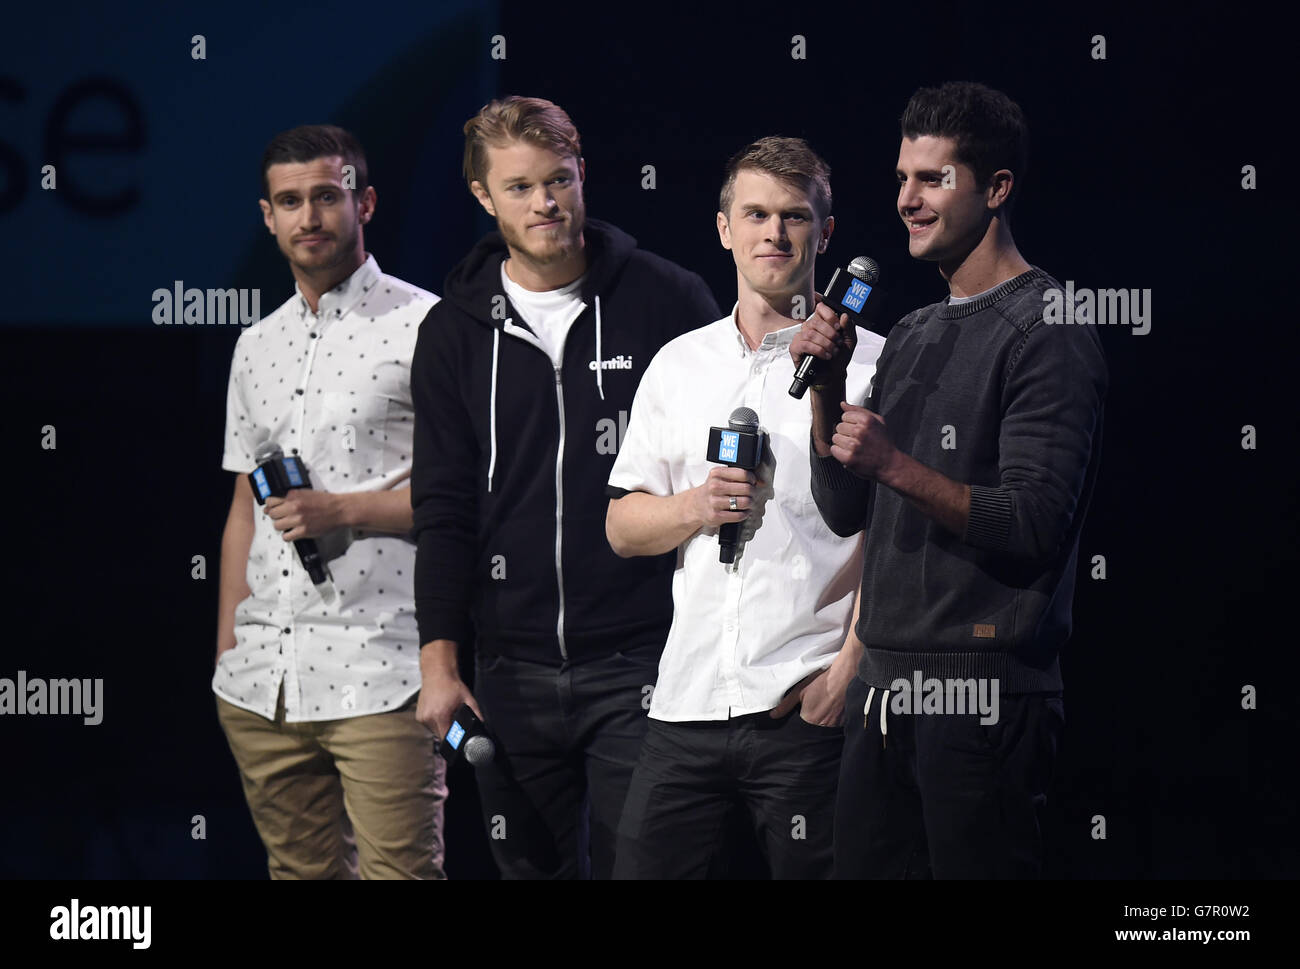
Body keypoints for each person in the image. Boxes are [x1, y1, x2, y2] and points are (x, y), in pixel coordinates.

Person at [794, 82, 1108, 878]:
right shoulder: (911, 333)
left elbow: (1034, 521)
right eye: (902, 178)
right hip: (883, 691)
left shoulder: (1050, 325)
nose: (907, 199)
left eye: (933, 179)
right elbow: (841, 508)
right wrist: (828, 383)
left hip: (981, 696)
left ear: (996, 188)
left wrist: (896, 463)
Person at [410, 96, 720, 879]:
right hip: (509, 672)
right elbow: (442, 509)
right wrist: (439, 666)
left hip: (644, 660)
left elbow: (720, 483)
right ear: (483, 197)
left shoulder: (668, 301)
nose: (545, 202)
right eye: (518, 188)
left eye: (558, 180)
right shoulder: (451, 332)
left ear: (583, 173)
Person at [605, 136, 884, 879]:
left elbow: (899, 539)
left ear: (826, 233)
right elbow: (622, 527)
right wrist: (698, 504)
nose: (774, 233)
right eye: (755, 213)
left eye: (795, 216)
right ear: (725, 228)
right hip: (687, 700)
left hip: (806, 700)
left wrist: (848, 671)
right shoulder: (679, 362)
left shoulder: (875, 364)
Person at [214, 124, 446, 879]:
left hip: (382, 669)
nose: (308, 216)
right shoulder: (255, 344)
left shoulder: (428, 326)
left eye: (325, 195)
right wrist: (228, 651)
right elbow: (245, 508)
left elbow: (467, 495)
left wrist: (341, 511)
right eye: (289, 201)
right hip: (264, 681)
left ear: (364, 201)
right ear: (267, 216)